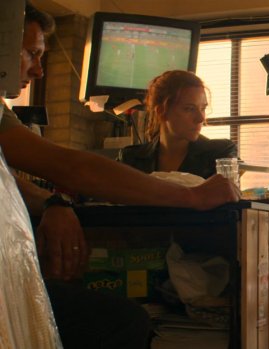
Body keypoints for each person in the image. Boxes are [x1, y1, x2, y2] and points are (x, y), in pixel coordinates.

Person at [1, 4, 239, 348]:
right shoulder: (131, 157)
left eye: (202, 109)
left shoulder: (219, 151)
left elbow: (9, 179)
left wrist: (53, 203)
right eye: (32, 54)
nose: (39, 71)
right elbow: (67, 167)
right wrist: (188, 196)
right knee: (124, 321)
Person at [118, 70, 237, 179]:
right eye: (189, 109)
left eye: (203, 108)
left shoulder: (220, 154)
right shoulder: (131, 159)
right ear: (161, 112)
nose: (200, 118)